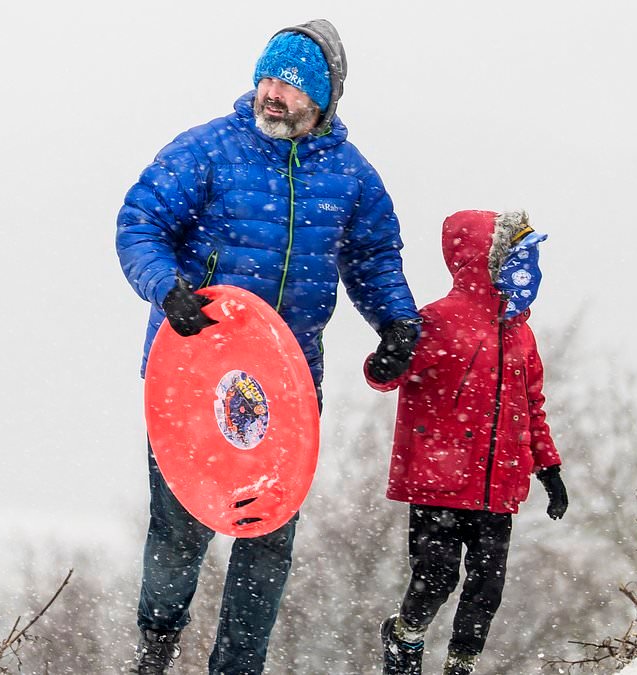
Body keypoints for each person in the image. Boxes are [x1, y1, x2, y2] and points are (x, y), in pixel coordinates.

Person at [115, 18, 422, 675]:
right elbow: (140, 221)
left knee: (268, 539)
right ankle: (154, 652)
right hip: (193, 378)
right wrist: (166, 289)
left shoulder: (350, 177)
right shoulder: (208, 150)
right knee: (179, 531)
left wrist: (398, 324)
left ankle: (237, 666)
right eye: (267, 77)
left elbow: (374, 258)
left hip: (284, 390)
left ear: (323, 98)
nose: (272, 93)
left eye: (289, 83)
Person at [365, 210, 570, 675]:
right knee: (435, 578)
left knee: (486, 587)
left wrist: (549, 468)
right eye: (517, 256)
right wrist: (383, 364)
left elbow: (532, 404)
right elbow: (391, 372)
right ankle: (404, 637)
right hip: (440, 478)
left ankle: (461, 665)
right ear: (486, 259)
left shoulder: (521, 332)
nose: (527, 268)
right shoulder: (438, 321)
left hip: (499, 484)